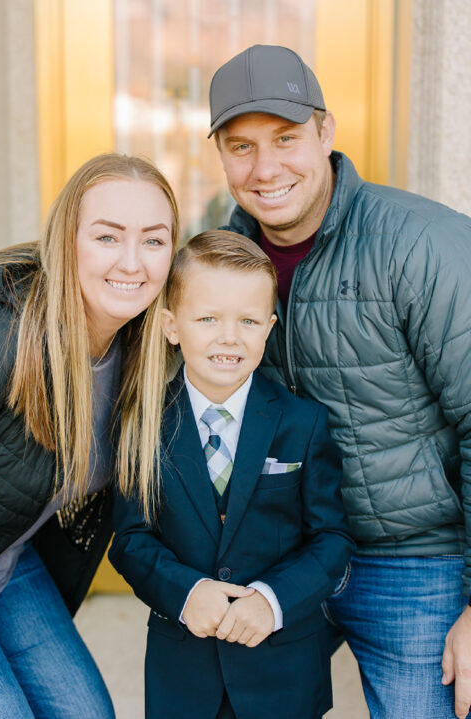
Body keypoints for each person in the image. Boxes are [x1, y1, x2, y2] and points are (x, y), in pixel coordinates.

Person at [212, 43, 471, 719]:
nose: (265, 169)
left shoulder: (423, 245)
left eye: (287, 139)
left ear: (326, 132)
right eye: (241, 146)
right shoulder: (218, 265)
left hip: (416, 556)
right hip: (284, 553)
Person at [0, 153, 180, 719]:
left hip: (10, 561)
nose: (132, 262)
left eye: (153, 240)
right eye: (107, 236)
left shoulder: (141, 353)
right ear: (66, 242)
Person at [108, 230, 354, 719]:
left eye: (247, 320)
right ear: (171, 326)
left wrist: (272, 599)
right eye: (208, 319)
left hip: (283, 673)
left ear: (269, 326)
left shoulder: (302, 422)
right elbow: (131, 540)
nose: (229, 336)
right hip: (184, 674)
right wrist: (186, 592)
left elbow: (331, 540)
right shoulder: (140, 423)